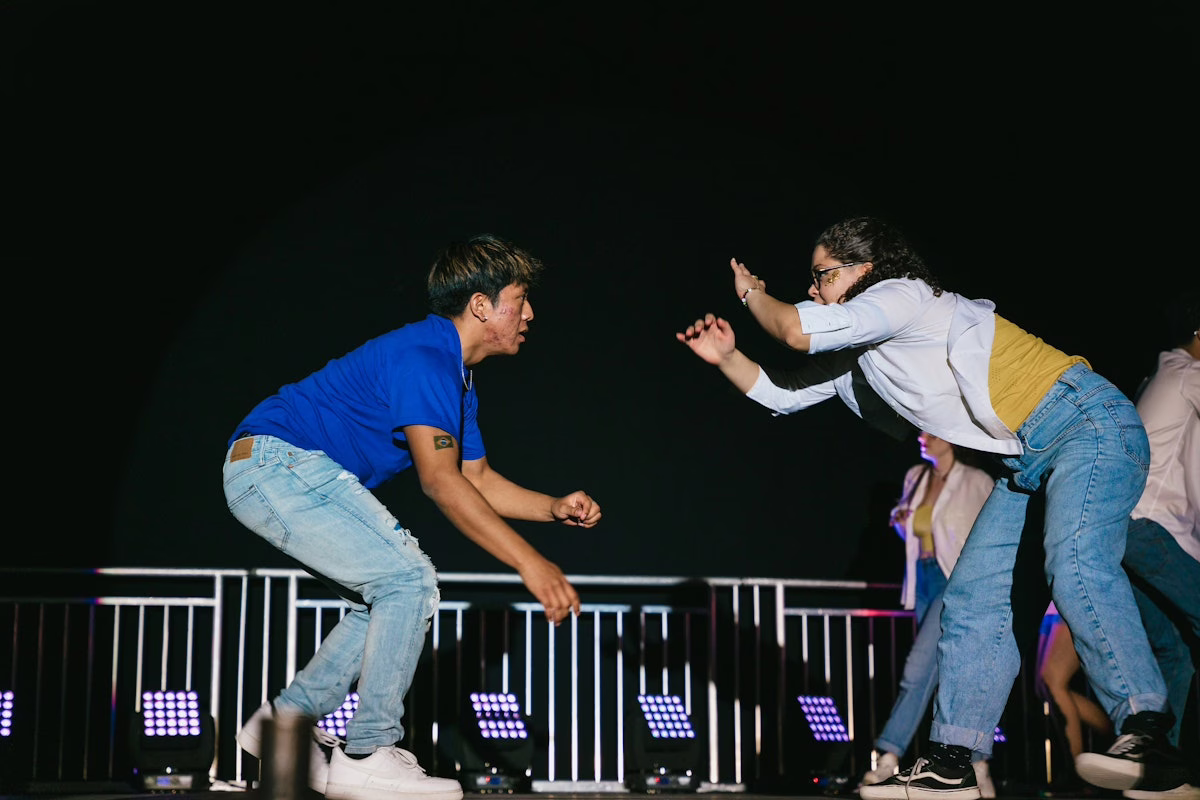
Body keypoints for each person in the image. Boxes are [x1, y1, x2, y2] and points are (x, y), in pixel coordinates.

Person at [675, 216, 1191, 798]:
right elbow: (783, 393)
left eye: (822, 275)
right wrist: (725, 357)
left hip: (1085, 422)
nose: (814, 289)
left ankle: (1149, 733)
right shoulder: (859, 351)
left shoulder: (904, 296)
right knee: (972, 598)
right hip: (1025, 464)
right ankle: (952, 763)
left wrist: (751, 293)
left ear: (864, 270)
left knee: (1073, 560)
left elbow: (794, 330)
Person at [223, 234, 602, 800]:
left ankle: (286, 722)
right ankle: (367, 751)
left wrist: (550, 508)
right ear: (481, 305)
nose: (529, 313)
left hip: (265, 469)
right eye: (519, 299)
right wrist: (532, 563)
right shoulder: (426, 358)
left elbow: (475, 478)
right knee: (409, 580)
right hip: (278, 461)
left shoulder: (455, 380)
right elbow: (440, 482)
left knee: (377, 597)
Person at [859, 432, 998, 796]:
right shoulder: (916, 477)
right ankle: (977, 763)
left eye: (931, 432)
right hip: (921, 579)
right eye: (920, 431)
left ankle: (889, 754)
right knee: (949, 672)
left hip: (956, 580)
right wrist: (901, 520)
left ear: (951, 437)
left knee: (917, 669)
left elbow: (991, 535)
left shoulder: (975, 480)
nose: (922, 437)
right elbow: (915, 529)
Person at [1117, 298, 1199, 800]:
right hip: (1147, 528)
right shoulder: (1187, 371)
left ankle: (1158, 768)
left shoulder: (1164, 372)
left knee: (1174, 652)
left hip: (1124, 530)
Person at [1035, 602, 1113, 786]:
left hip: (1069, 600)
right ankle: (1116, 735)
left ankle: (1077, 770)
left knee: (1053, 680)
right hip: (1047, 604)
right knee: (1044, 688)